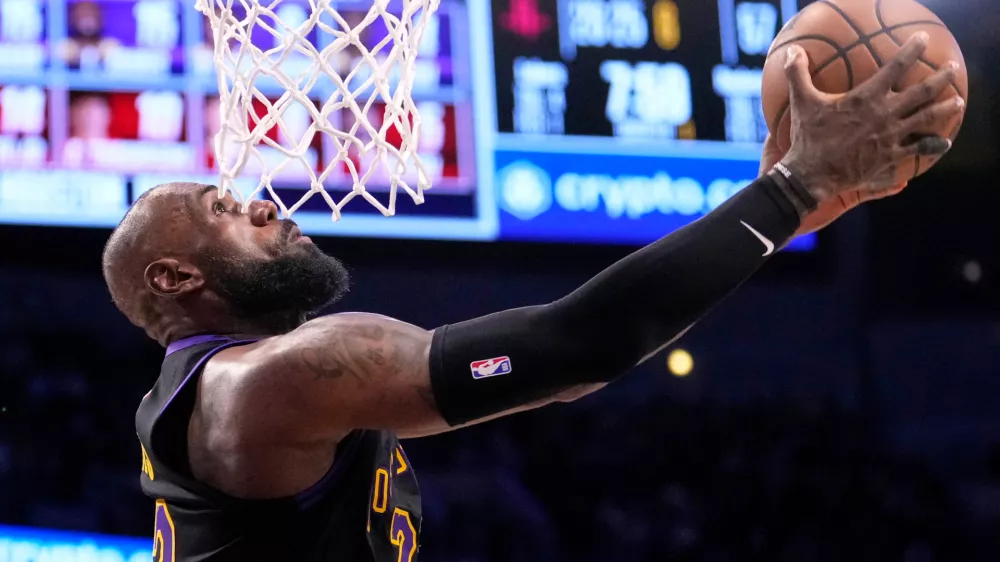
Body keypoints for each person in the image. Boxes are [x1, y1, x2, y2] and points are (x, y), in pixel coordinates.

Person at [102, 36, 963, 561]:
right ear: (177, 279)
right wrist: (791, 193)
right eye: (224, 209)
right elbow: (579, 343)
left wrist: (786, 199)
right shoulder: (270, 382)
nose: (263, 201)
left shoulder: (233, 389)